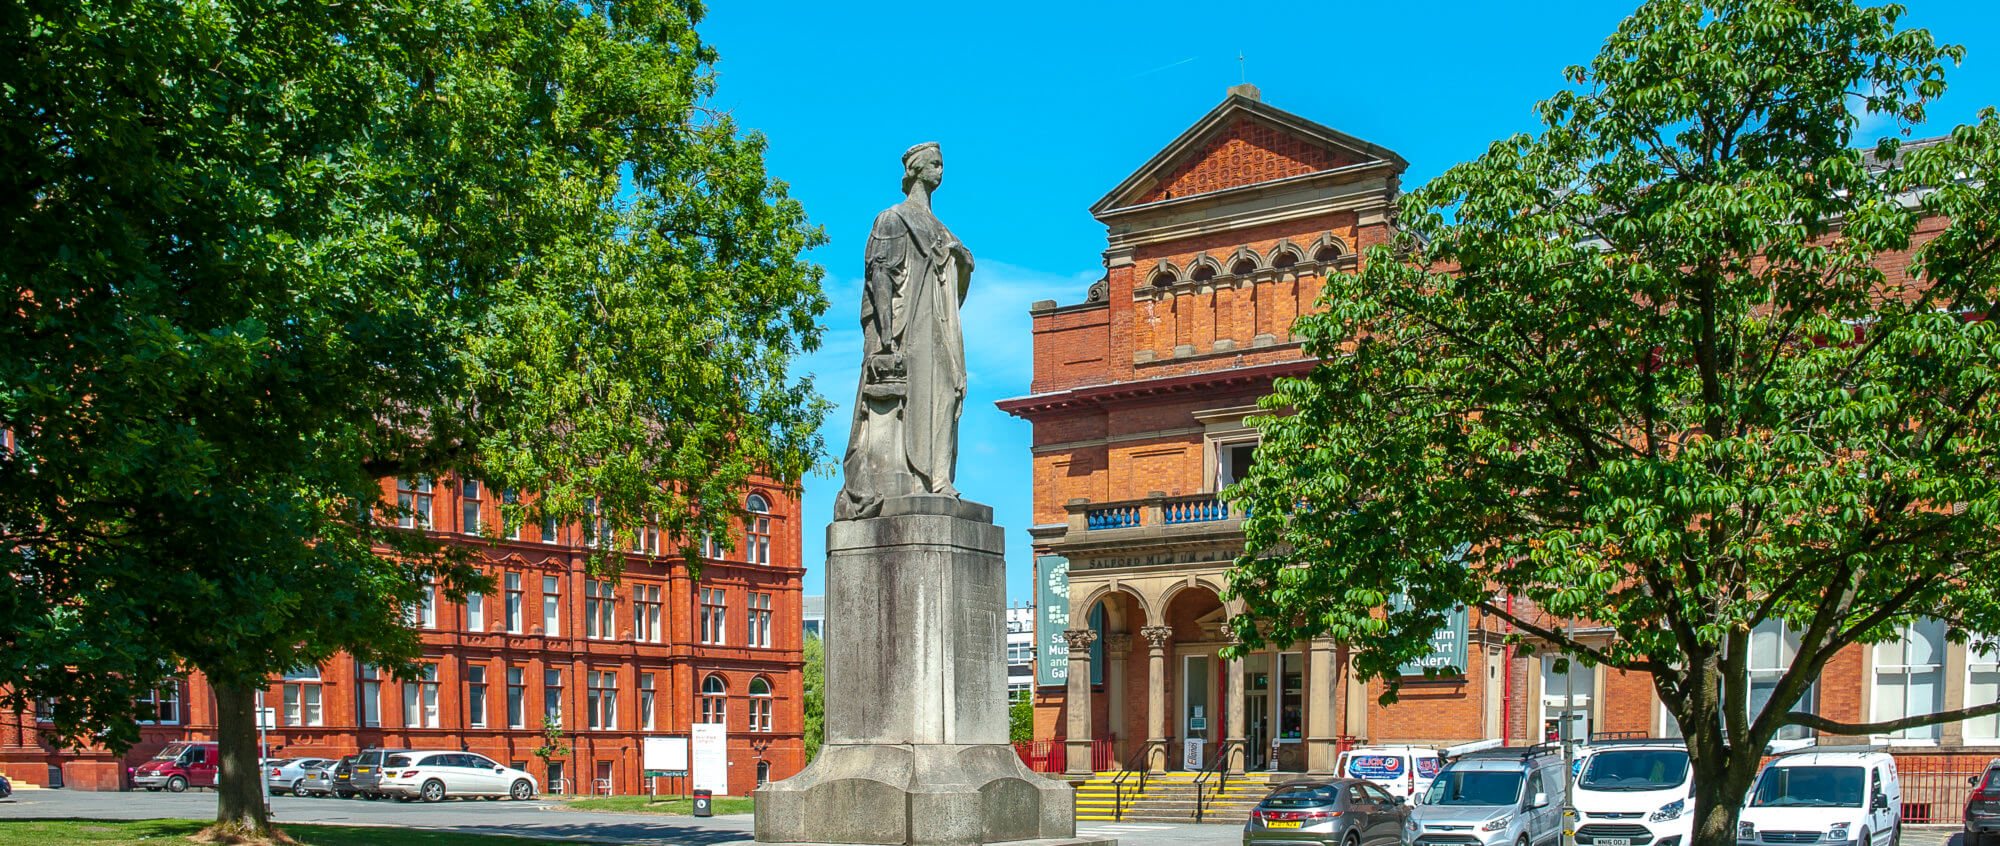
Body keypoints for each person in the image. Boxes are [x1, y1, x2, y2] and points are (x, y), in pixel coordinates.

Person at [834, 142, 974, 520]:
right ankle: (918, 478)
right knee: (924, 394)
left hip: (939, 328)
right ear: (915, 170)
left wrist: (960, 259)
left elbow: (957, 281)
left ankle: (937, 477)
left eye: (942, 164)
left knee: (948, 393)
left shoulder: (941, 228)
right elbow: (881, 275)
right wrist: (884, 338)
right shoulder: (893, 218)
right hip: (907, 327)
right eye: (934, 164)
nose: (940, 171)